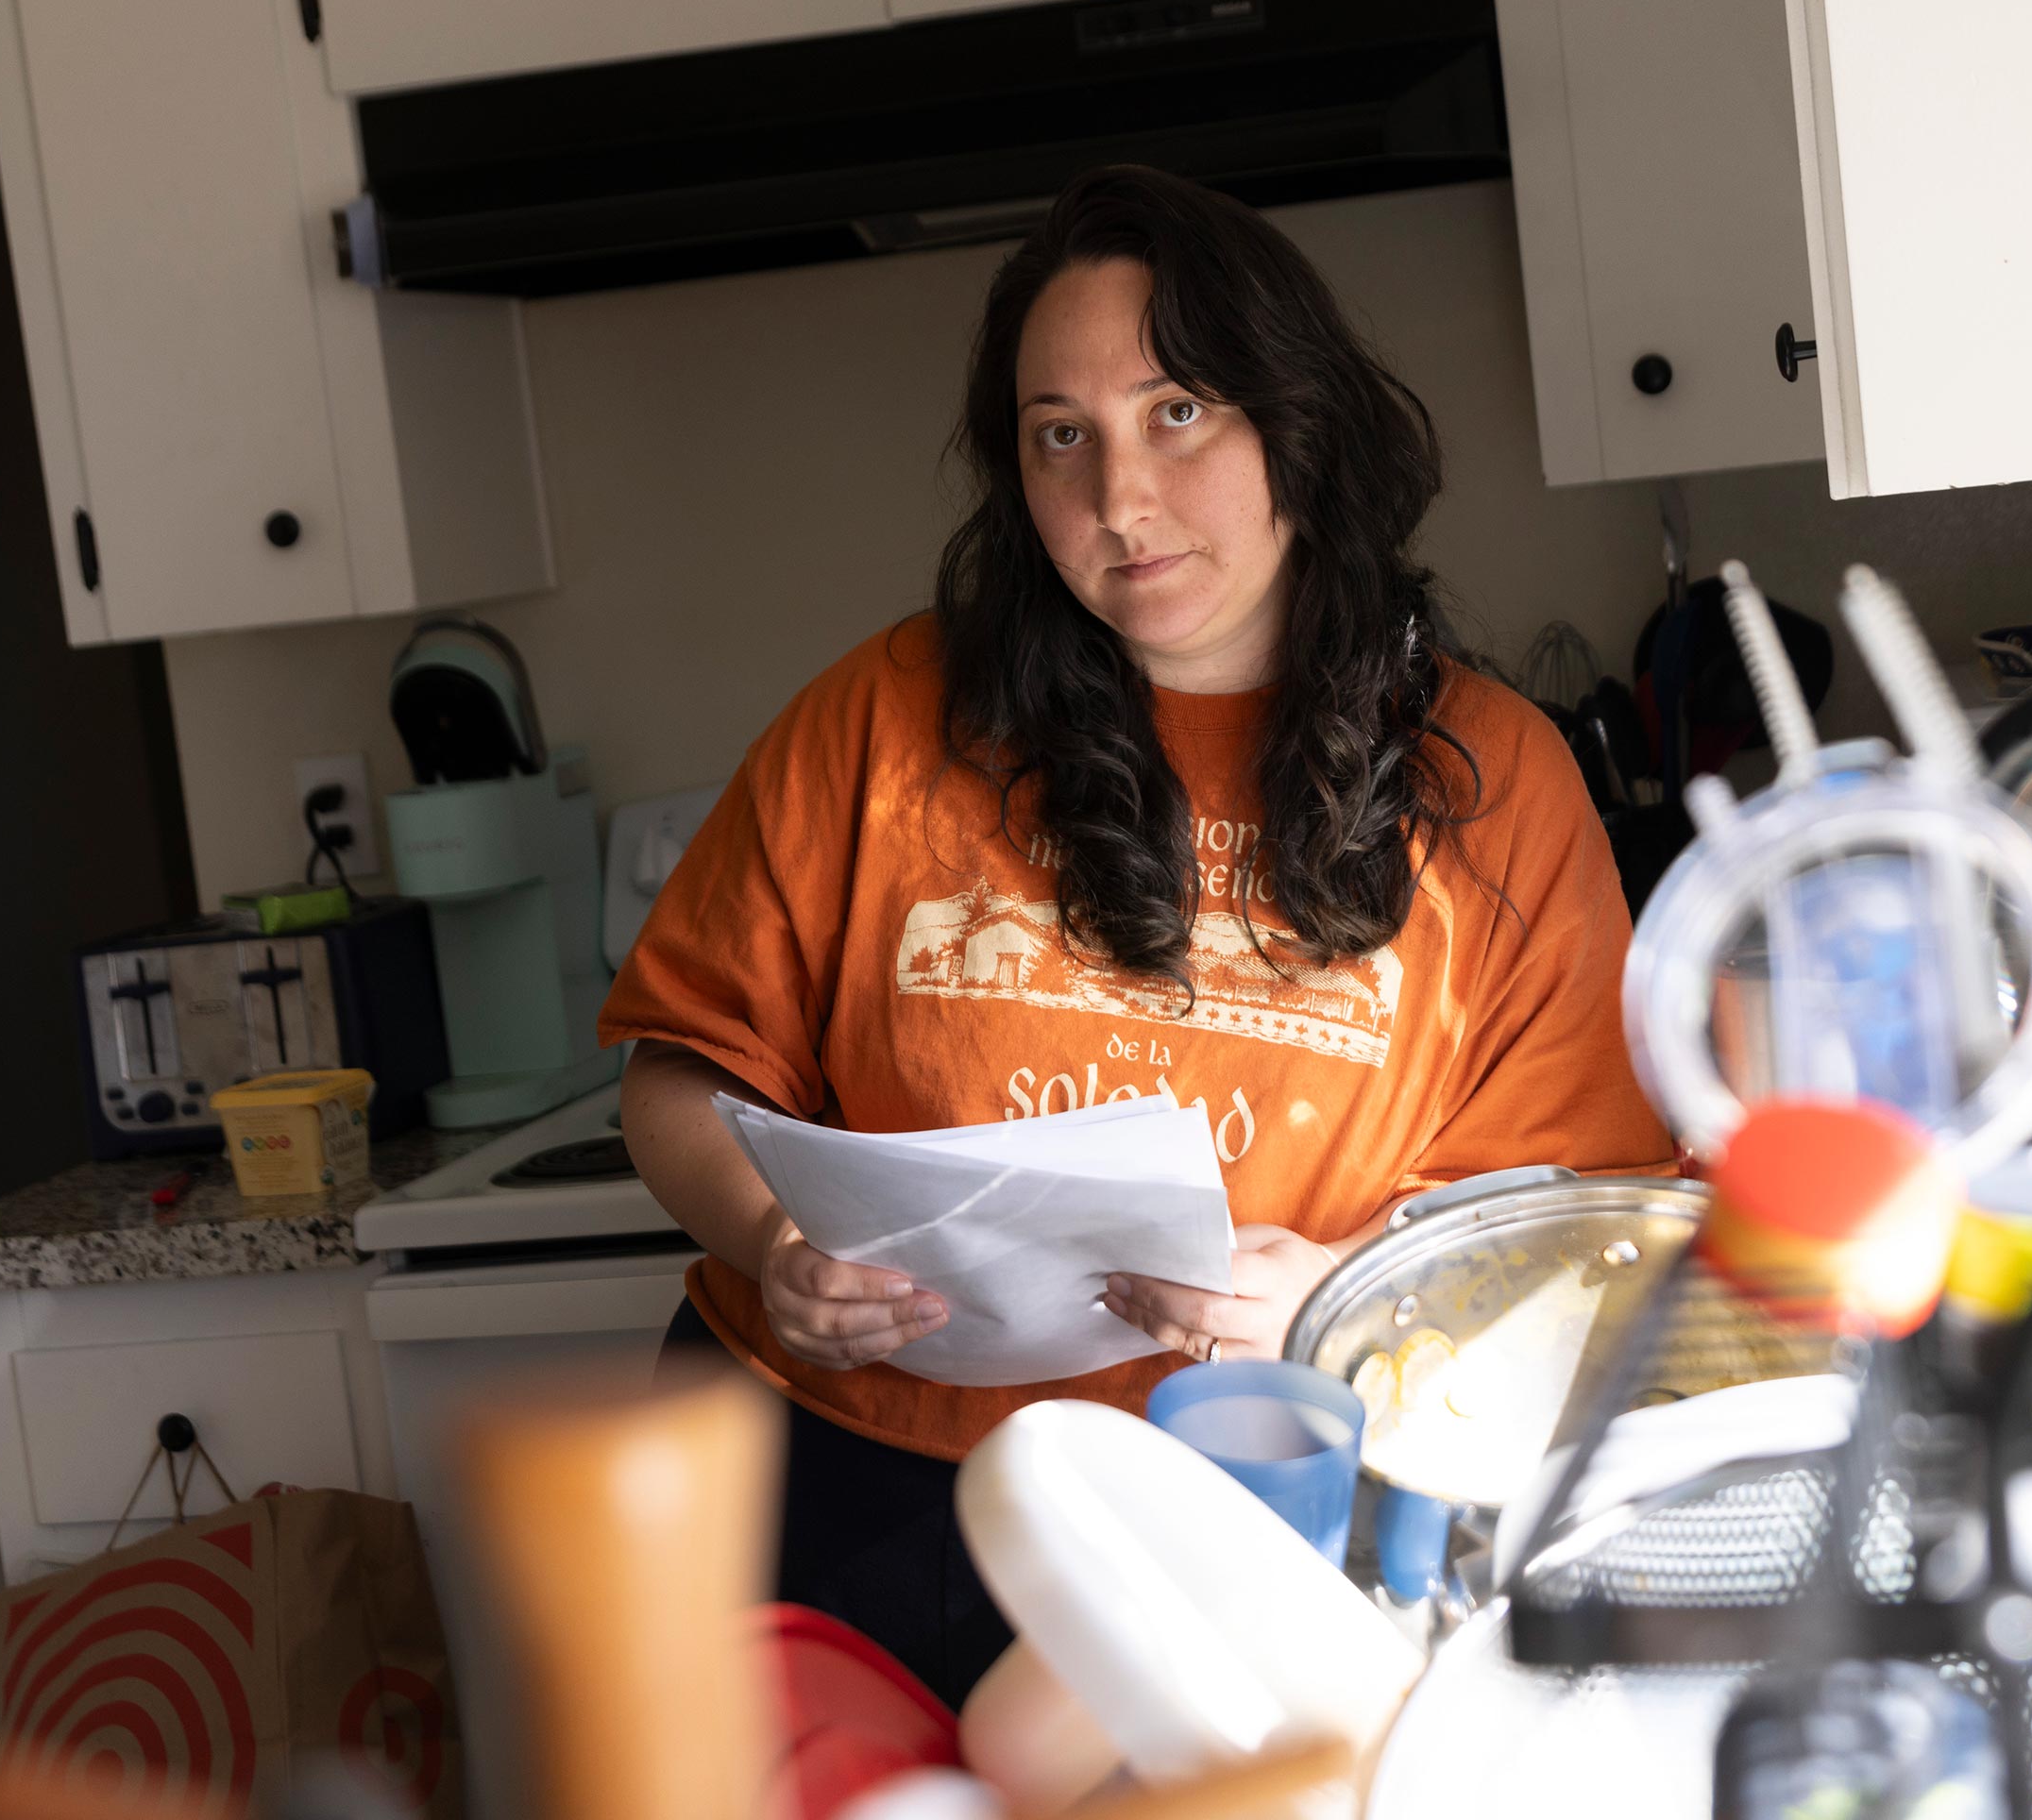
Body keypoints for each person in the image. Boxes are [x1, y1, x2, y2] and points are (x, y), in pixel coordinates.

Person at [606, 165, 1673, 1704]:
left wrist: (1342, 1302)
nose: (1118, 499)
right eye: (1062, 435)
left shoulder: (1494, 780)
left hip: (1252, 1514)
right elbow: (678, 1072)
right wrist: (775, 1242)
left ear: (1298, 422)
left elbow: (1584, 1229)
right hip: (834, 1489)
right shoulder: (882, 720)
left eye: (1178, 412)